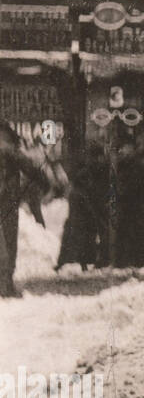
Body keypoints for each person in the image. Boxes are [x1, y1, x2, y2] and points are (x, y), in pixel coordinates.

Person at [0, 121, 52, 296]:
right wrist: (44, 183)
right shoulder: (9, 148)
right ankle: (5, 285)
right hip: (7, 199)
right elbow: (30, 168)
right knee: (8, 241)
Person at [109, 131, 144, 269]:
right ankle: (129, 263)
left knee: (139, 235)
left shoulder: (134, 165)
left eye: (126, 147)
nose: (123, 151)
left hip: (135, 207)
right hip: (129, 207)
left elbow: (138, 186)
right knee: (133, 235)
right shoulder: (125, 165)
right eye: (122, 148)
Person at [56, 141, 111, 271]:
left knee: (79, 235)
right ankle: (88, 261)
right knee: (87, 235)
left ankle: (75, 261)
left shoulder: (88, 171)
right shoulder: (95, 171)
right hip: (88, 208)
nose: (96, 159)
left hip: (88, 208)